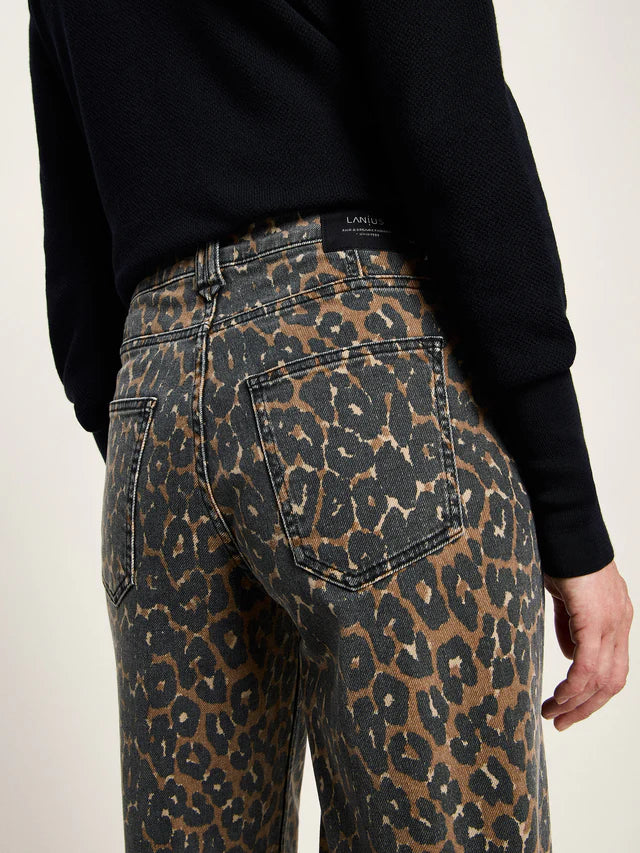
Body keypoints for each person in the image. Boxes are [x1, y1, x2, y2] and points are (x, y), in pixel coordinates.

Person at [27, 1, 632, 851]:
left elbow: (75, 258)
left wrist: (161, 422)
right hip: (362, 376)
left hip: (153, 406)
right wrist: (571, 518)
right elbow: (455, 133)